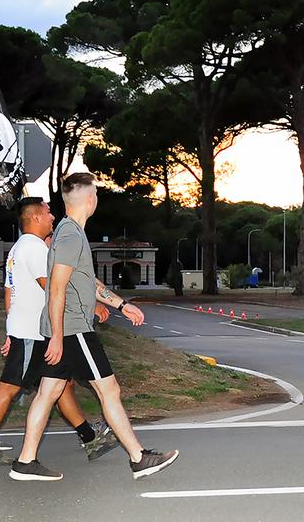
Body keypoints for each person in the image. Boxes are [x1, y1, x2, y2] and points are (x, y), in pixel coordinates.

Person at [10, 173, 178, 482]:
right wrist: (58, 337)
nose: (97, 198)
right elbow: (57, 289)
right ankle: (139, 458)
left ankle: (25, 461)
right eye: (96, 193)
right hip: (72, 329)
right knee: (109, 390)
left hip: (64, 327)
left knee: (48, 393)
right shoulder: (71, 235)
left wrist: (121, 305)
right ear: (91, 200)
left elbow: (87, 283)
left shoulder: (67, 232)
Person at [0, 197, 119, 466]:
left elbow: (9, 293)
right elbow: (53, 287)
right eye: (48, 212)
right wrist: (93, 304)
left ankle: (89, 438)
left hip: (32, 331)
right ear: (36, 217)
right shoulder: (35, 249)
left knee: (59, 386)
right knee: (10, 387)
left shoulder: (18, 249)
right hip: (33, 333)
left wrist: (10, 329)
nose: (53, 217)